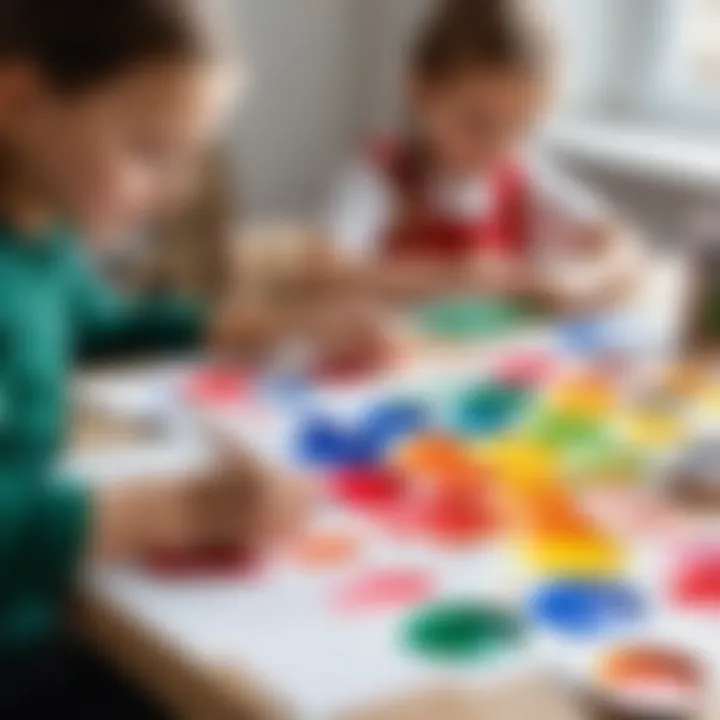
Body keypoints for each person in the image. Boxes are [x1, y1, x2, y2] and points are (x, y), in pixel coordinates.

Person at [0, 0, 308, 716]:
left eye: (190, 155)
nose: (176, 192)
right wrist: (186, 509)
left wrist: (261, 326)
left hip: (44, 619)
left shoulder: (42, 236)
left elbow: (104, 323)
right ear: (17, 100)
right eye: (147, 150)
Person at [323, 0, 643, 311]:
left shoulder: (522, 175)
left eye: (520, 128)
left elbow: (622, 249)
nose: (497, 146)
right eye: (477, 123)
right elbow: (328, 277)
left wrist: (575, 282)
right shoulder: (381, 174)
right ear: (420, 90)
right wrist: (454, 277)